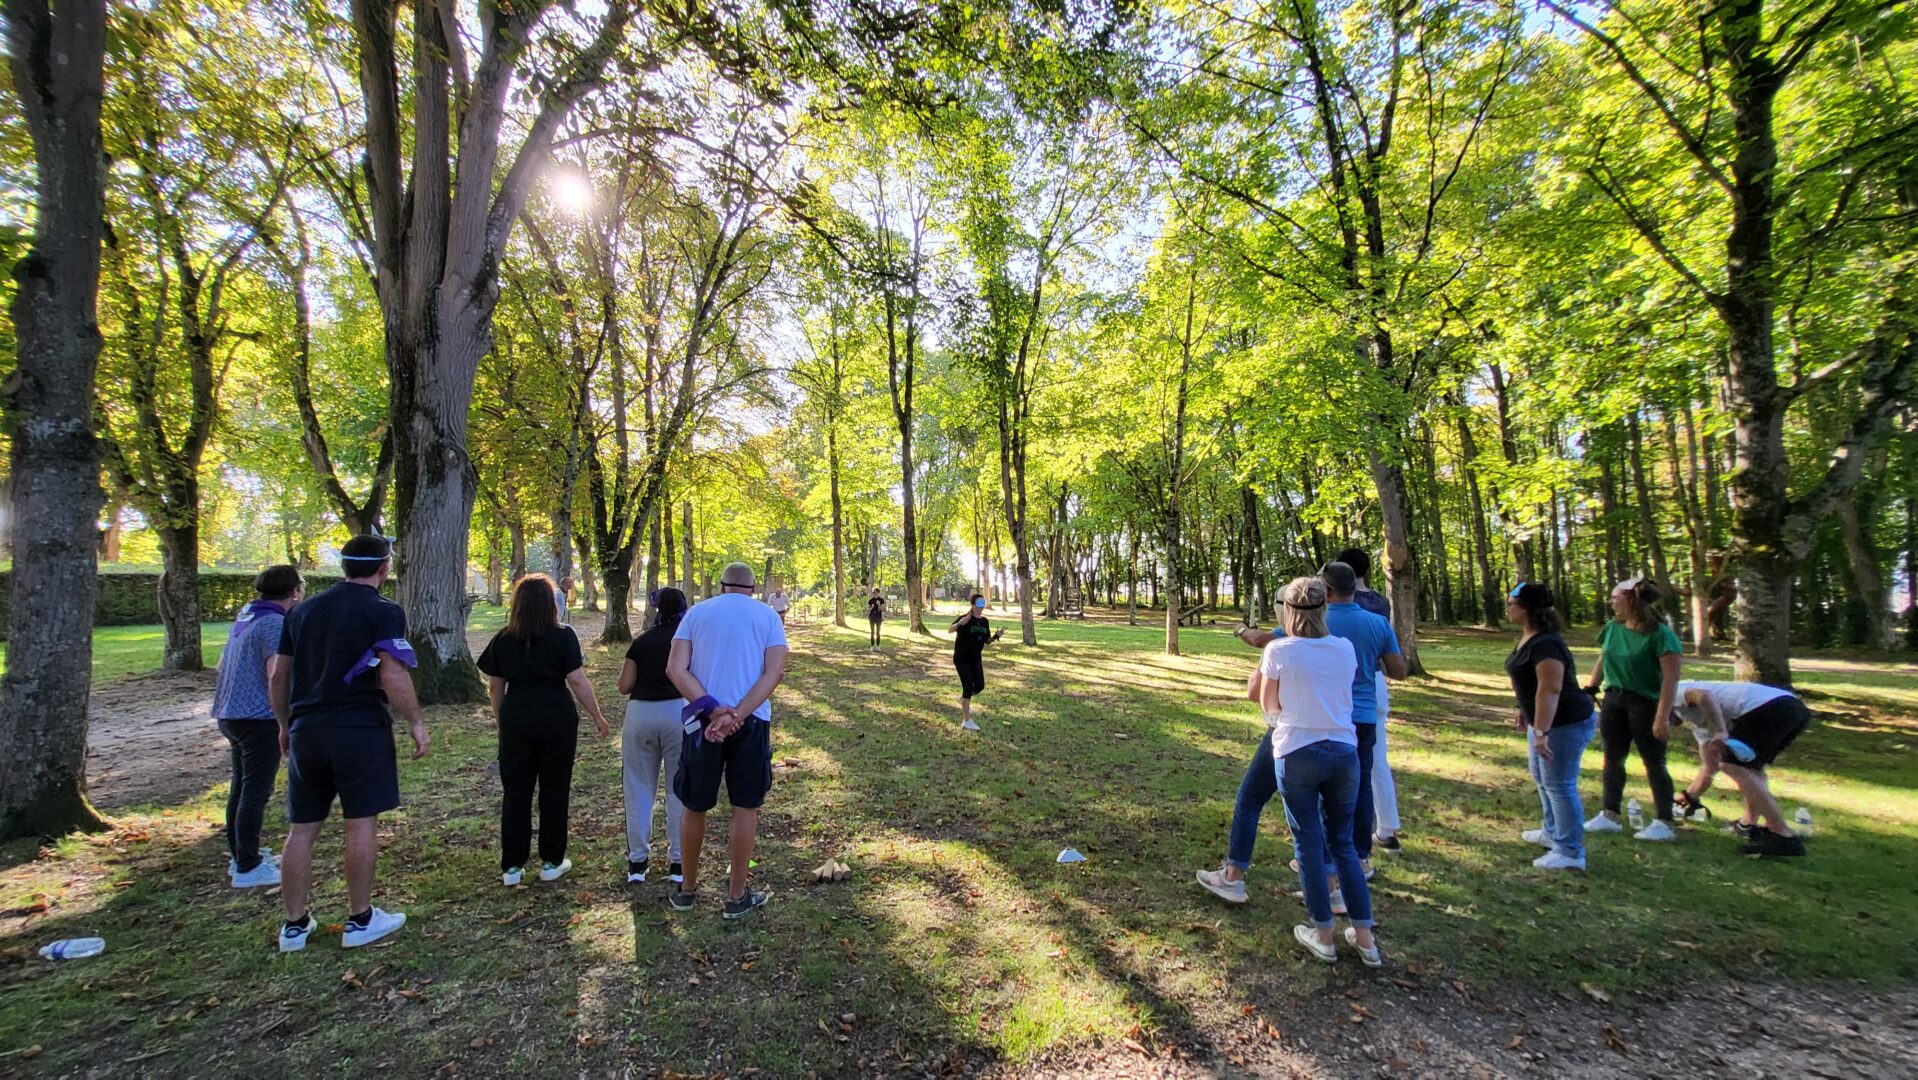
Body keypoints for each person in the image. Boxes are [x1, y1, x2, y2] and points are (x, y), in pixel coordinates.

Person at [1207, 577, 1380, 965]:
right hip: (1343, 750)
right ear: (1324, 609)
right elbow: (1343, 692)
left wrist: (1291, 719)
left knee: (1307, 841)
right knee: (1344, 845)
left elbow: (1267, 705)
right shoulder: (1344, 648)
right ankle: (1366, 939)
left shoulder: (1279, 650)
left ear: (1287, 612)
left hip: (1296, 750)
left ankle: (1323, 935)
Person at [271, 535, 427, 953]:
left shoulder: (301, 611)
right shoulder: (384, 611)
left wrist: (285, 723)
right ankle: (360, 918)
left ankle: (294, 925)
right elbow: (391, 672)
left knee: (301, 829)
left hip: (307, 727)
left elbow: (278, 676)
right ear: (383, 568)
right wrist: (415, 721)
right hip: (358, 727)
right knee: (360, 822)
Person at [666, 562, 789, 918]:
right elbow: (775, 671)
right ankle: (736, 896)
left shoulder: (697, 613)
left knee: (695, 804)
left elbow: (675, 668)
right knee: (744, 806)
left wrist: (714, 711)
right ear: (753, 588)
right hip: (750, 723)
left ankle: (687, 890)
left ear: (722, 586)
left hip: (705, 723)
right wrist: (739, 712)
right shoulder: (768, 617)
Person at [477, 574, 611, 887]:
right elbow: (577, 680)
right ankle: (551, 860)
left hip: (516, 713)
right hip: (555, 714)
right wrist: (597, 715)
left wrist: (502, 719)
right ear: (550, 603)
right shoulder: (563, 636)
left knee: (516, 791)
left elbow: (495, 686)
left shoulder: (503, 638)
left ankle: (512, 865)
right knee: (554, 787)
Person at [212, 565, 303, 888]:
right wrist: (285, 719)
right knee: (255, 791)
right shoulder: (275, 624)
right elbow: (277, 675)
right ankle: (248, 866)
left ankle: (242, 854)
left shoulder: (246, 617)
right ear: (294, 592)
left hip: (230, 713)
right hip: (257, 718)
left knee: (241, 787)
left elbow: (221, 665)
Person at [1504, 583, 1597, 871]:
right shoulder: (1528, 638)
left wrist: (1543, 732)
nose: (1507, 608)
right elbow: (1528, 683)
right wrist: (1525, 711)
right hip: (1542, 722)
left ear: (1527, 608)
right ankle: (1552, 832)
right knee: (1543, 779)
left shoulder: (1546, 644)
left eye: (1511, 603)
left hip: (1564, 723)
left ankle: (1570, 851)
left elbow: (1550, 689)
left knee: (1560, 784)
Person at [1583, 577, 1683, 841]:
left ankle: (1664, 821)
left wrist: (1662, 717)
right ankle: (1610, 814)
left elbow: (1671, 680)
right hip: (1614, 700)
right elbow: (1604, 655)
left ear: (1630, 600)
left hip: (1645, 703)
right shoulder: (1613, 627)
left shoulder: (1661, 635)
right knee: (1613, 758)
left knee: (1654, 763)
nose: (1611, 602)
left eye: (1615, 597)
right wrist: (1592, 685)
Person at [1670, 680, 1811, 856]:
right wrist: (1688, 796)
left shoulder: (1672, 691)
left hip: (1775, 707)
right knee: (1750, 768)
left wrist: (1720, 731)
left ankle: (1781, 834)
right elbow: (1710, 766)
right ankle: (1748, 824)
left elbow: (1704, 696)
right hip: (1791, 709)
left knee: (1733, 765)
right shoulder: (1695, 720)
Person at [618, 587, 690, 884]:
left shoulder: (641, 642)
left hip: (641, 713)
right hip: (678, 714)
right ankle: (678, 863)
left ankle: (638, 863)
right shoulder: (687, 642)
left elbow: (624, 686)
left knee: (638, 787)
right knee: (679, 789)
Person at [1334, 546, 1403, 852]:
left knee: (1343, 759)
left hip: (1344, 683)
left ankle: (1345, 835)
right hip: (1374, 682)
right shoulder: (1380, 602)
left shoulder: (1341, 603)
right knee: (1376, 758)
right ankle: (1386, 828)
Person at [949, 594, 1004, 731]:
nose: (981, 606)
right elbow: (950, 630)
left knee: (979, 686)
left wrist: (996, 636)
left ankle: (963, 700)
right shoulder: (965, 619)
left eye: (982, 603)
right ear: (973, 605)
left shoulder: (984, 621)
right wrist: (959, 623)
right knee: (967, 687)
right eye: (978, 603)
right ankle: (966, 720)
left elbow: (987, 641)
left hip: (975, 659)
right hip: (962, 659)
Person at [865, 586, 886, 650]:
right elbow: (867, 609)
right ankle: (872, 646)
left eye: (875, 592)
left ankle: (877, 645)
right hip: (872, 617)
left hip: (878, 617)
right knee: (872, 631)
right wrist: (871, 607)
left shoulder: (881, 600)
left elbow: (883, 609)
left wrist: (879, 604)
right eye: (873, 592)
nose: (874, 593)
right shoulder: (870, 600)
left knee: (878, 632)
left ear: (878, 593)